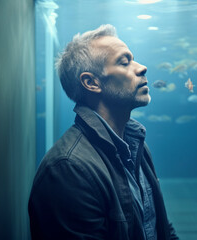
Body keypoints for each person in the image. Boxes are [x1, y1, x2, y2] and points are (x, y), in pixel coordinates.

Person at [28, 24, 179, 240]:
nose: (142, 67)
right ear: (91, 82)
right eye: (124, 62)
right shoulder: (68, 169)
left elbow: (159, 227)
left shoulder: (137, 146)